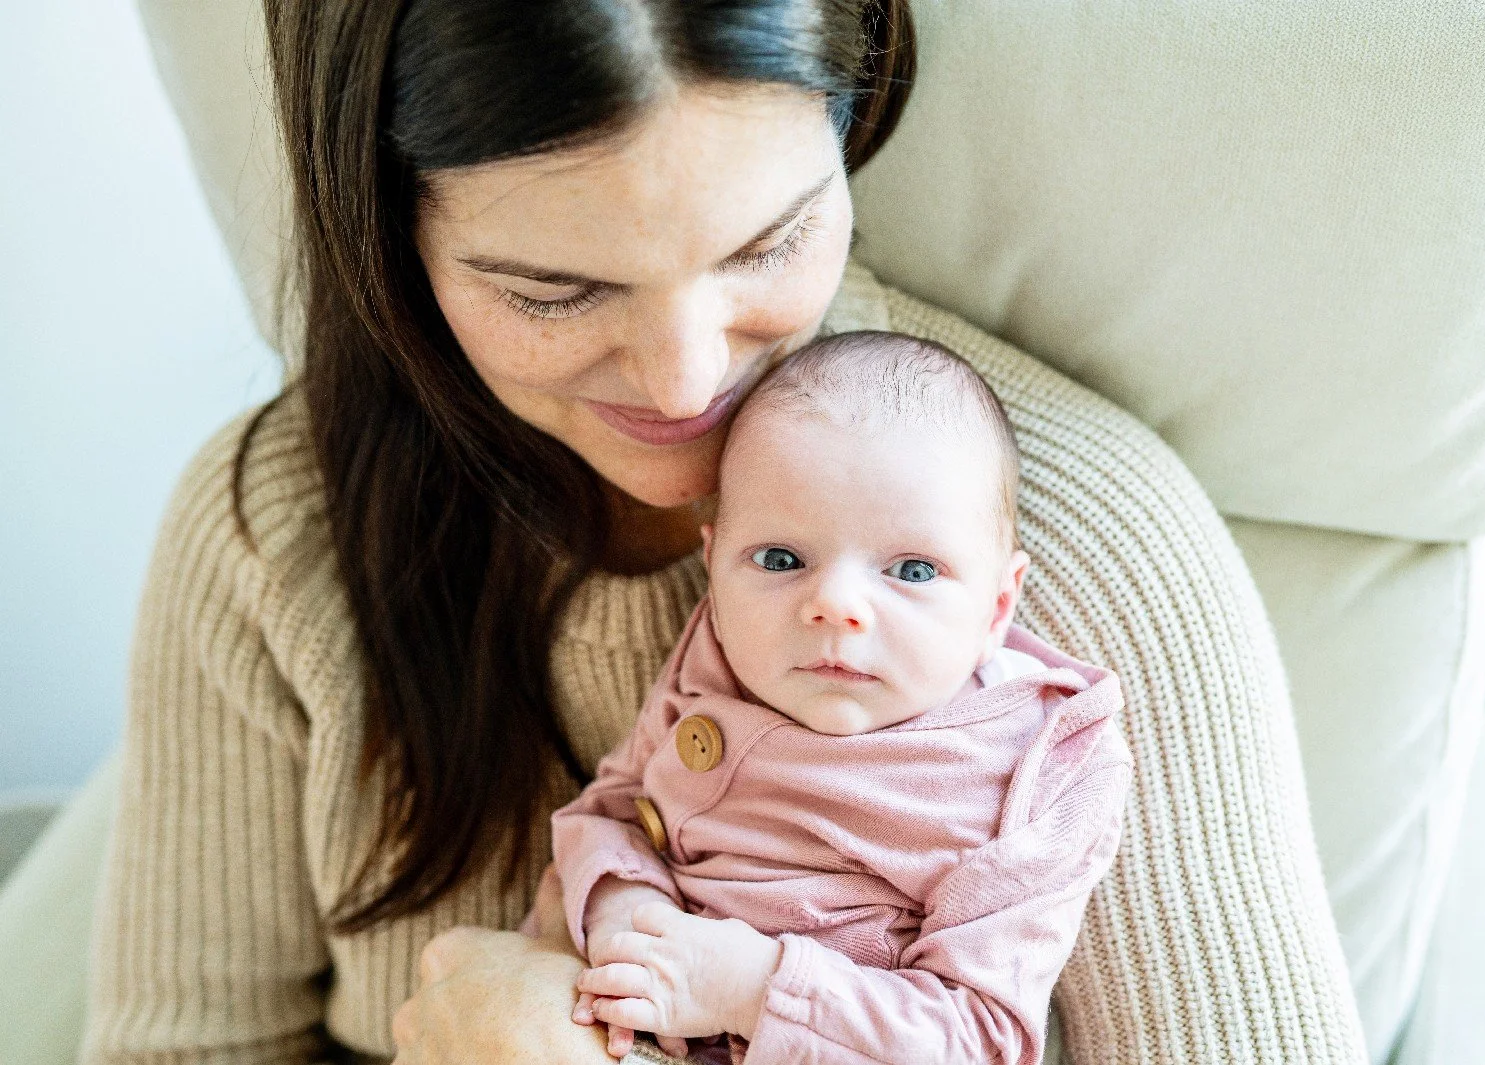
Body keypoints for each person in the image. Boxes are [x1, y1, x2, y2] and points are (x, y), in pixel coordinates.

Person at [80, 1, 1366, 1063]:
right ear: (389, 235)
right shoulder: (273, 530)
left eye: (771, 241)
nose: (688, 383)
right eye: (555, 290)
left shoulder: (1090, 553)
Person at [548, 331, 1133, 1064]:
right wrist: (621, 905)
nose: (835, 604)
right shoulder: (720, 658)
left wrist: (753, 987)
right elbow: (607, 810)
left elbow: (980, 1038)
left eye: (913, 569)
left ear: (998, 606)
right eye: (781, 559)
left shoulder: (1037, 765)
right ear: (714, 573)